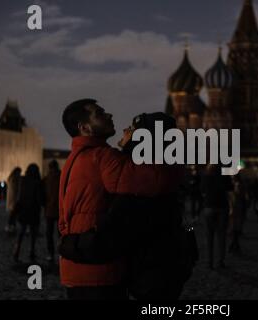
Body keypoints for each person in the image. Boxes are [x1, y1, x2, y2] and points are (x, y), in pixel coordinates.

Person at [58, 99, 182, 300]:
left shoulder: (75, 158)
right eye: (99, 113)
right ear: (85, 127)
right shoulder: (102, 157)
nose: (109, 115)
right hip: (99, 270)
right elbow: (156, 181)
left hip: (76, 265)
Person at [201, 163, 232, 269]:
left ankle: (209, 262)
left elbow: (202, 190)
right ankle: (220, 261)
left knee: (209, 236)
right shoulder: (224, 175)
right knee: (221, 236)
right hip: (222, 206)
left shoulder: (206, 176)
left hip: (209, 206)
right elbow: (230, 188)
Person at [13, 164, 44, 262]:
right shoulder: (37, 182)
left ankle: (16, 251)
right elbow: (39, 198)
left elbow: (20, 195)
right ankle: (32, 251)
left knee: (21, 232)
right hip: (34, 210)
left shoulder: (23, 181)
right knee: (33, 234)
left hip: (24, 210)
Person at [43, 160, 61, 263]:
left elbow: (42, 195)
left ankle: (50, 254)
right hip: (59, 210)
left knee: (49, 234)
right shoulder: (62, 177)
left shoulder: (46, 179)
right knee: (60, 234)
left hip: (49, 210)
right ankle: (61, 253)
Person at [228, 174, 246, 255]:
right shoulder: (238, 185)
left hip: (235, 208)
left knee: (234, 227)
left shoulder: (237, 185)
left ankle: (234, 245)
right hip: (236, 208)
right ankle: (235, 245)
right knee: (235, 228)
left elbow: (236, 196)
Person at [5, 167, 21, 234]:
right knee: (13, 215)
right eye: (19, 172)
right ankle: (10, 226)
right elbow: (14, 191)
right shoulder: (14, 179)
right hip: (14, 200)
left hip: (13, 200)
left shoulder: (11, 179)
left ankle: (12, 226)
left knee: (14, 214)